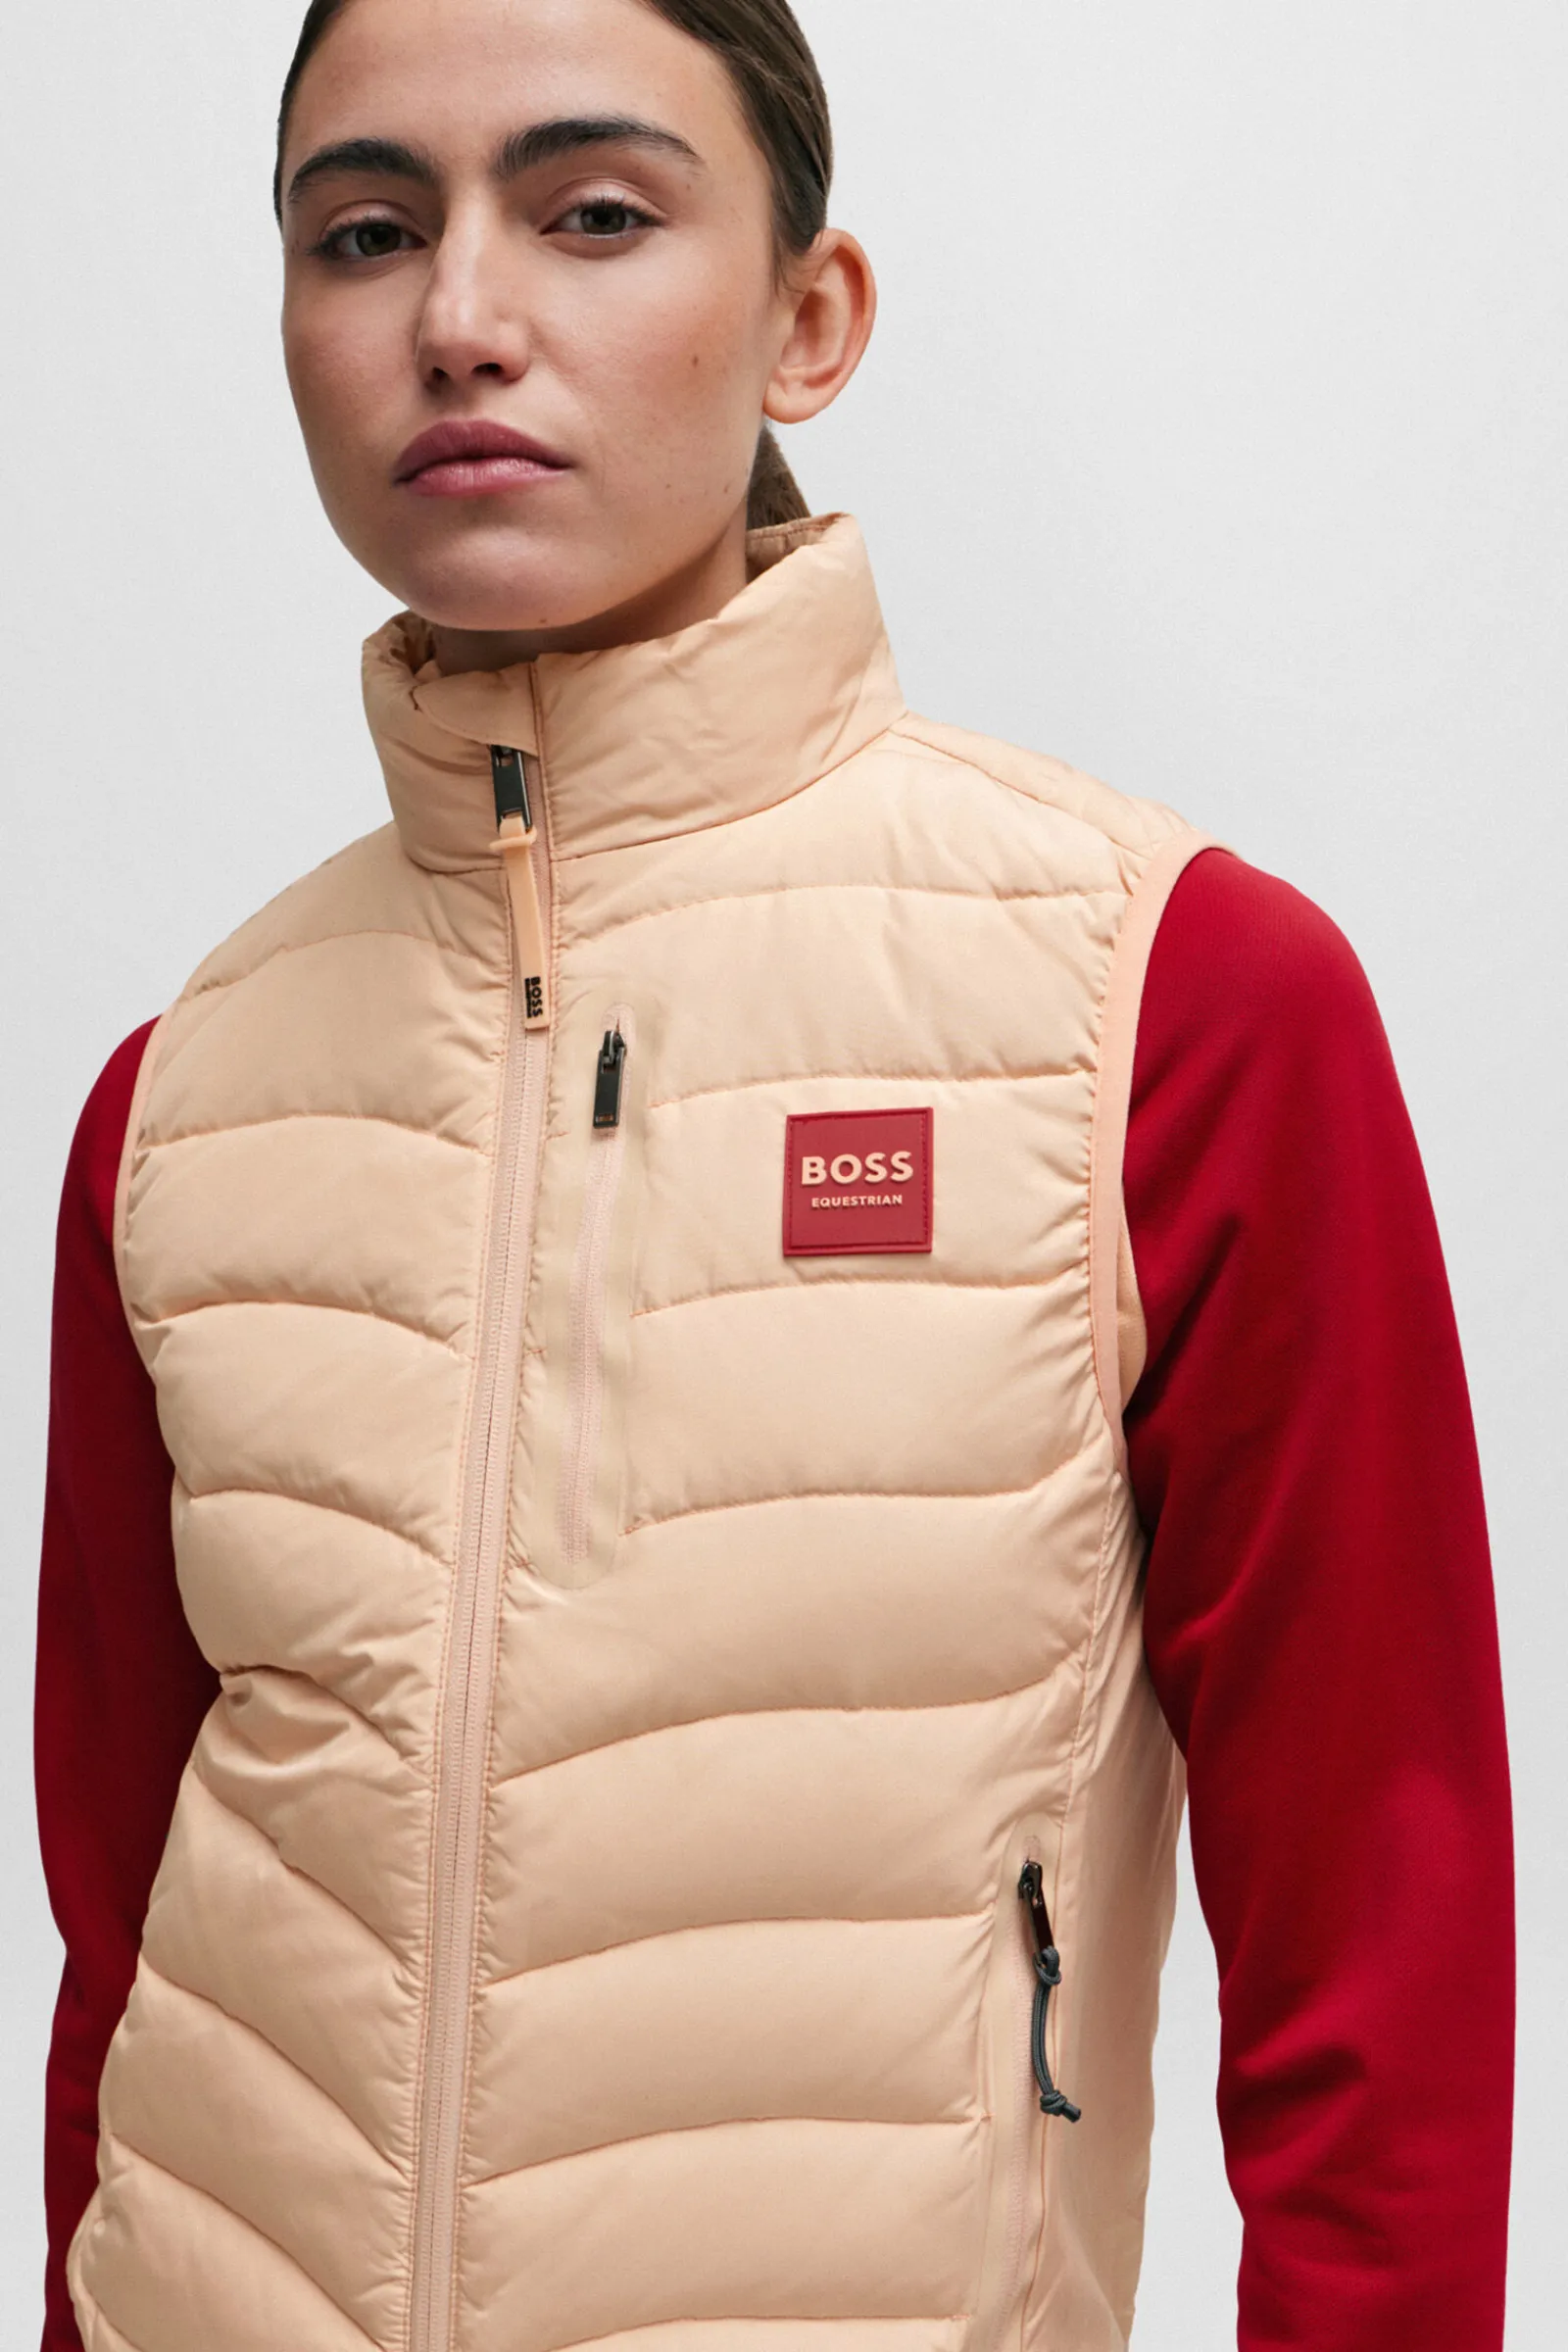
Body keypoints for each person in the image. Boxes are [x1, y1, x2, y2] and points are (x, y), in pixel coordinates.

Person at [33, 2, 1514, 2348]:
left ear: (806, 320)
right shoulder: (182, 1099)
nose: (460, 317)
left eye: (592, 213)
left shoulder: (1167, 1003)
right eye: (365, 233)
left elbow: (1374, 1930)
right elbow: (123, 1964)